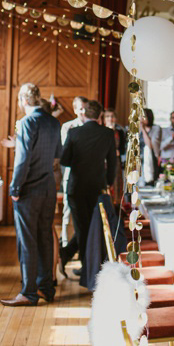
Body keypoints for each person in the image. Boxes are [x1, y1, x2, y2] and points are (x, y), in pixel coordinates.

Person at [1, 83, 61, 307]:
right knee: (45, 237)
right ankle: (46, 288)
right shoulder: (53, 122)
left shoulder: (27, 122)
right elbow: (57, 155)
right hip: (48, 188)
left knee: (27, 241)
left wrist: (15, 188)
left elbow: (22, 159)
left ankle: (28, 292)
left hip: (28, 189)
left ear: (24, 100)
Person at [58, 100, 117, 275]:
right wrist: (108, 182)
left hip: (75, 187)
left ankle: (78, 262)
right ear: (100, 115)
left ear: (84, 114)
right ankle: (85, 268)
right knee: (90, 226)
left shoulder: (74, 132)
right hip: (97, 187)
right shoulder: (107, 134)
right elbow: (112, 162)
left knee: (83, 227)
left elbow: (64, 160)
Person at [60, 97, 88, 249]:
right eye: (80, 108)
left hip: (87, 176)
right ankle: (65, 241)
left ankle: (80, 245)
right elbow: (66, 151)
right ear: (75, 109)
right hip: (71, 173)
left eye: (85, 108)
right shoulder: (67, 127)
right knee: (67, 210)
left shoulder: (91, 126)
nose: (83, 111)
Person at [139, 108, 162, 185]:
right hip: (140, 160)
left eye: (143, 116)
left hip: (151, 160)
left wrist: (143, 129)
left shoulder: (156, 128)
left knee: (150, 182)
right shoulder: (138, 130)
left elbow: (150, 145)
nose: (141, 118)